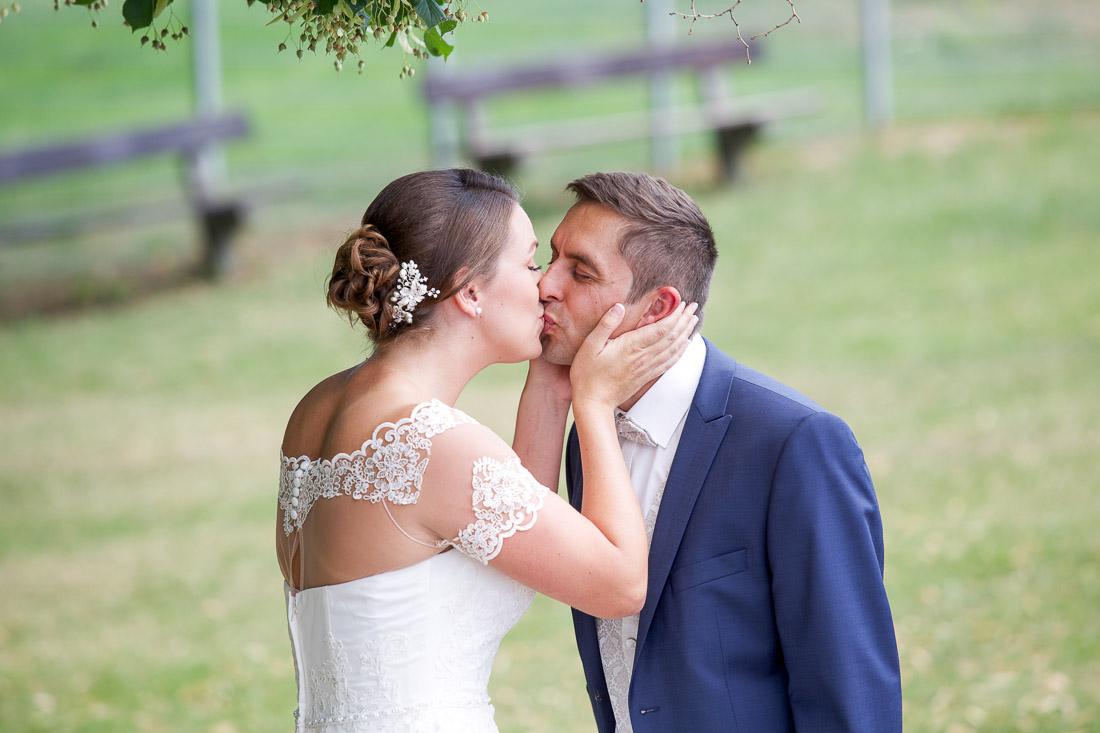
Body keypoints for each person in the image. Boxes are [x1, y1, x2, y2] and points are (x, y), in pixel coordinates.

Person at [273, 168, 698, 732]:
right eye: (529, 263)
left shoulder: (319, 408)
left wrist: (550, 381)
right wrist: (593, 405)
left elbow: (513, 523)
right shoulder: (430, 443)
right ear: (471, 292)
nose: (545, 285)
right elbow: (619, 585)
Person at [540, 171, 903, 732]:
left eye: (579, 271)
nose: (545, 284)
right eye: (552, 256)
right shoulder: (588, 434)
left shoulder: (794, 444)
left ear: (657, 309)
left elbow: (850, 691)